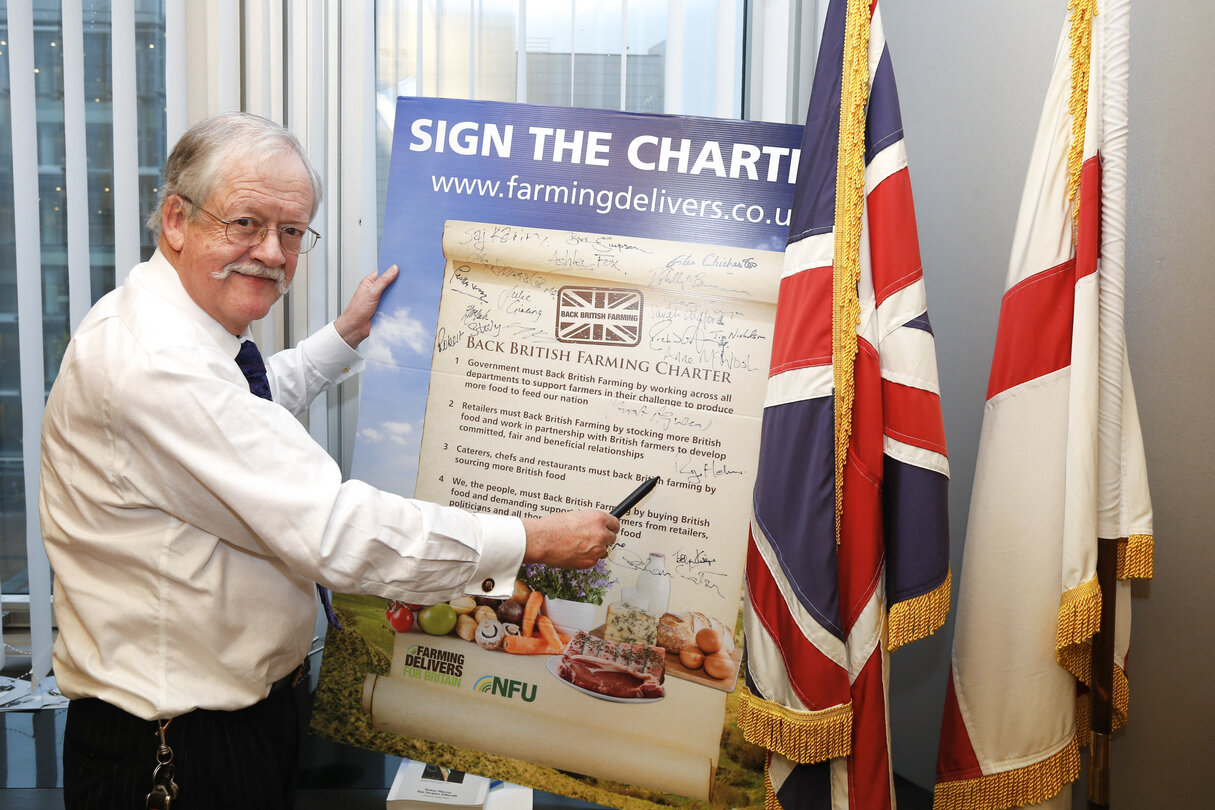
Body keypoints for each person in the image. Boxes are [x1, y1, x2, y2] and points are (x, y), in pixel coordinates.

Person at [39, 111, 619, 809]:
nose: (272, 253)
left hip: (233, 724)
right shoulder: (157, 364)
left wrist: (341, 338)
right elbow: (335, 530)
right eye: (246, 223)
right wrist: (534, 540)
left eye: (291, 232)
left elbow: (239, 419)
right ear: (176, 220)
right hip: (178, 754)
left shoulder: (174, 332)